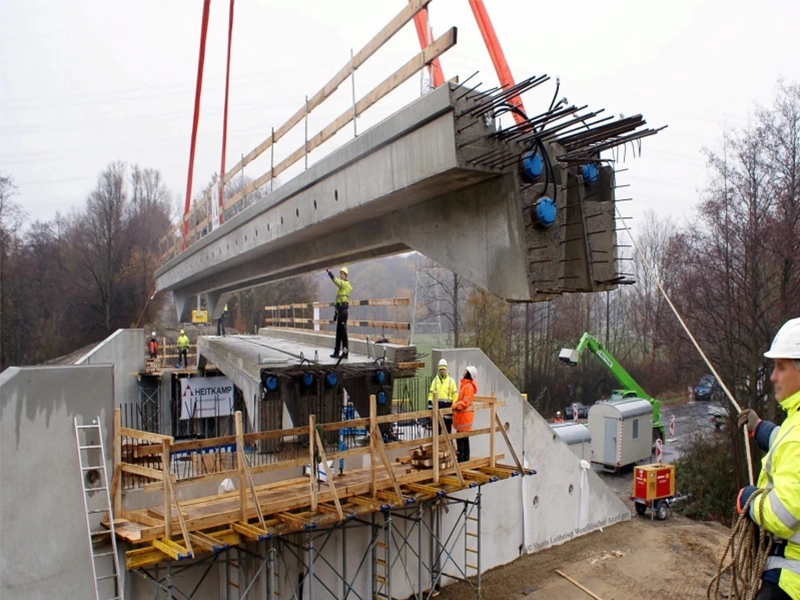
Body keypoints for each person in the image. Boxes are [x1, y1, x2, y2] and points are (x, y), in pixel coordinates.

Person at [736, 317, 800, 600]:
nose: (773, 376)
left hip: (791, 577)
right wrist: (760, 428)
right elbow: (786, 445)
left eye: (781, 367)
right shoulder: (794, 424)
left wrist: (749, 501)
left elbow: (783, 515)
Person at [453, 366, 477, 462]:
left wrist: (454, 406)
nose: (464, 371)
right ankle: (465, 458)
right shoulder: (465, 385)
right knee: (464, 438)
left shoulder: (467, 387)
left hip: (464, 418)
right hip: (464, 417)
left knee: (461, 439)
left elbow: (464, 403)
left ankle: (462, 460)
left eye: (465, 371)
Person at [327, 267, 352, 358]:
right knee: (339, 332)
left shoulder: (344, 284)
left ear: (345, 276)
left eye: (342, 274)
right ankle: (336, 352)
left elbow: (336, 281)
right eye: (340, 274)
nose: (341, 275)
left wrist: (330, 273)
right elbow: (338, 301)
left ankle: (345, 353)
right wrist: (336, 313)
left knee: (343, 333)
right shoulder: (340, 288)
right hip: (340, 311)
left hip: (344, 312)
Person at [428, 358, 458, 433]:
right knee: (436, 430)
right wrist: (430, 409)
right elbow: (430, 395)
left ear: (446, 369)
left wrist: (454, 408)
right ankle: (437, 444)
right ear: (439, 369)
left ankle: (448, 444)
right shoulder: (435, 381)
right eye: (441, 369)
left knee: (447, 430)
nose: (442, 371)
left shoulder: (451, 381)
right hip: (437, 407)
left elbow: (455, 396)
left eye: (443, 369)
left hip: (448, 407)